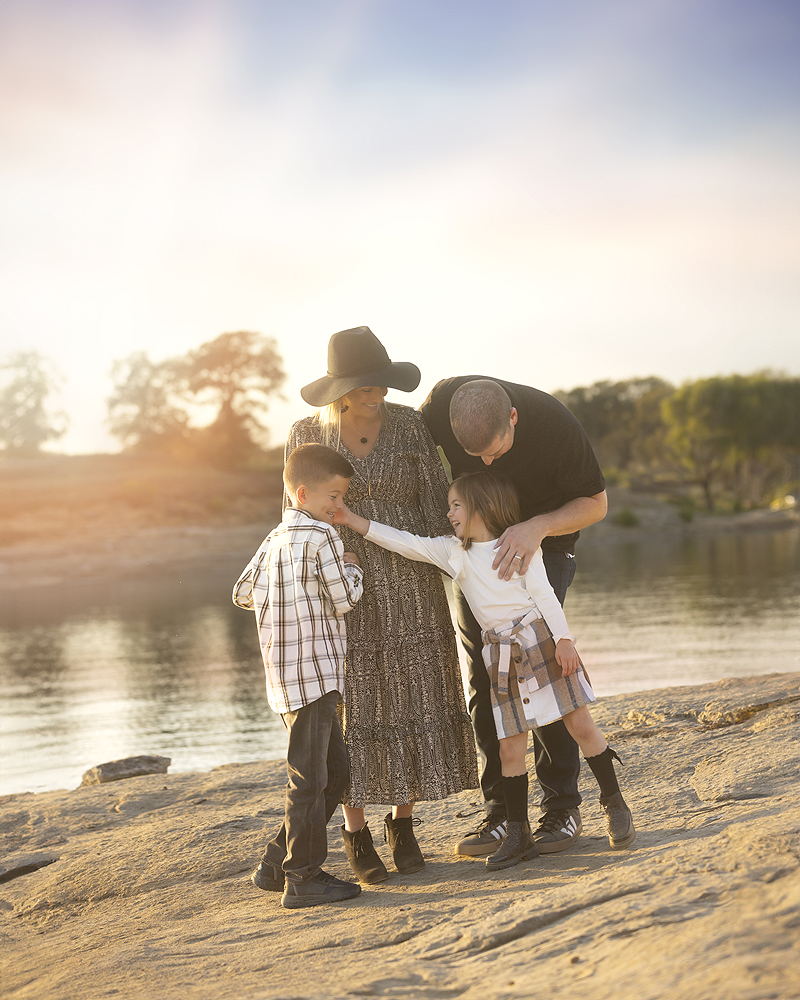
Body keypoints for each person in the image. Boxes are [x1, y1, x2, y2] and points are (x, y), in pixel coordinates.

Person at [335, 471, 635, 869]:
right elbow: (405, 543)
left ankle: (614, 803)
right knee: (509, 746)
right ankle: (518, 834)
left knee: (580, 726)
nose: (448, 512)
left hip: (540, 642)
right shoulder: (454, 553)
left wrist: (565, 640)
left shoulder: (519, 545)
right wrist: (354, 520)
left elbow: (545, 594)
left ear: (483, 506)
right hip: (501, 654)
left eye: (456, 504)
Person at [288, 327, 478, 883]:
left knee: (411, 695)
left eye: (382, 384)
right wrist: (327, 560)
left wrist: (436, 550)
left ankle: (404, 823)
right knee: (358, 706)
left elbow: (436, 498)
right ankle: (357, 832)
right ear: (341, 389)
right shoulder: (306, 432)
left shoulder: (411, 426)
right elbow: (296, 510)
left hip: (411, 581)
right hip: (342, 582)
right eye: (366, 387)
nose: (377, 395)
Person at [419, 377, 607, 857]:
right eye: (473, 454)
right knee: (485, 679)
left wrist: (536, 527)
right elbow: (413, 445)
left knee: (543, 680)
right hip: (477, 557)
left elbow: (597, 504)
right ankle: (503, 813)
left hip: (544, 551)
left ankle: (562, 809)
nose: (485, 463)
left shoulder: (557, 427)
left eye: (494, 450)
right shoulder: (442, 403)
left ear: (514, 419)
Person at [232, 443, 365, 909]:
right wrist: (354, 570)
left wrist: (285, 599)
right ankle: (303, 877)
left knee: (332, 772)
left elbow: (242, 593)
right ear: (303, 493)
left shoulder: (274, 540)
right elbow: (345, 599)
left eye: (342, 497)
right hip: (315, 672)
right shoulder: (325, 539)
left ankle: (275, 864)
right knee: (312, 779)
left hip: (285, 677)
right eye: (333, 497)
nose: (339, 506)